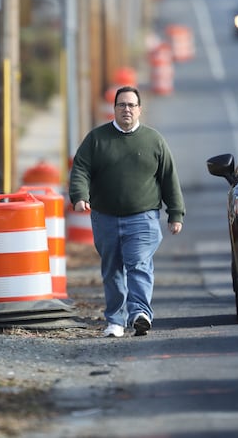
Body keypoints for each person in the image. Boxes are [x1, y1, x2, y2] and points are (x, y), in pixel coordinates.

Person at [68, 85, 185, 338]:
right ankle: (115, 320)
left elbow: (168, 179)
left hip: (143, 217)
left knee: (139, 264)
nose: (127, 110)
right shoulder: (97, 139)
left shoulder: (154, 140)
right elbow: (80, 169)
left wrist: (176, 213)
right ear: (114, 109)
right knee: (112, 269)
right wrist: (80, 196)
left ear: (140, 109)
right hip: (105, 218)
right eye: (122, 105)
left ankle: (140, 314)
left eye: (132, 105)